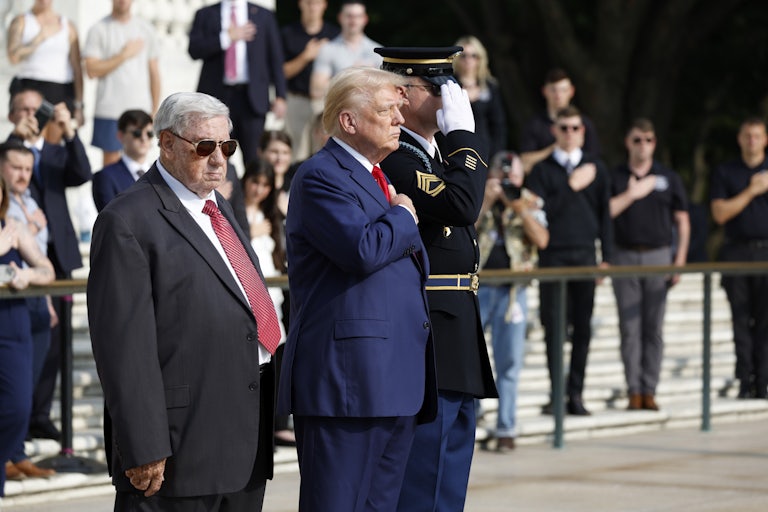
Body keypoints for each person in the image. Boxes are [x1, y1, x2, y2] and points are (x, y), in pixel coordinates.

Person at [87, 92, 280, 511]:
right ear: (168, 143)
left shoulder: (219, 205)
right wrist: (143, 444)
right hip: (178, 453)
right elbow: (122, 348)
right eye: (205, 146)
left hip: (243, 444)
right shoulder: (127, 220)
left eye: (226, 147)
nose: (218, 159)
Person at [276, 66, 437, 512]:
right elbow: (363, 250)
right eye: (388, 110)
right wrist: (403, 215)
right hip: (348, 387)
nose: (399, 120)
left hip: (393, 382)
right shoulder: (320, 175)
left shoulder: (377, 178)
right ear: (349, 121)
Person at [376, 46, 497, 511]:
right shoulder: (398, 157)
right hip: (427, 331)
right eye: (439, 88)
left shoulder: (433, 153)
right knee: (426, 477)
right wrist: (465, 136)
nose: (452, 96)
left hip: (455, 327)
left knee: (450, 479)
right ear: (403, 95)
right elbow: (463, 205)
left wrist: (458, 143)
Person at [6, 87, 91, 441]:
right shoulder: (8, 153)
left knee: (54, 341)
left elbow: (83, 171)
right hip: (17, 255)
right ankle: (17, 417)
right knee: (24, 336)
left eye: (35, 108)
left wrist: (69, 130)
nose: (30, 115)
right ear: (12, 115)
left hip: (56, 255)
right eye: (23, 109)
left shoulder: (55, 153)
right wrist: (14, 138)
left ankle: (39, 413)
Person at [526, 105, 612, 416]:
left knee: (583, 329)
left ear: (583, 131)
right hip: (553, 257)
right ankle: (556, 393)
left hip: (586, 256)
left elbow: (606, 216)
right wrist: (571, 185)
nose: (570, 134)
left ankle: (575, 394)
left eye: (575, 128)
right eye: (564, 128)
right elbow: (539, 213)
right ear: (554, 131)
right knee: (553, 328)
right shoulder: (542, 170)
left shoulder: (596, 168)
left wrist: (607, 259)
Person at [610, 118, 690, 410]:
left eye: (648, 140)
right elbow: (605, 213)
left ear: (655, 143)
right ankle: (634, 389)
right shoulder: (617, 177)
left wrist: (679, 259)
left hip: (658, 255)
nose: (643, 145)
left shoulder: (668, 178)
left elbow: (682, 220)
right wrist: (632, 194)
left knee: (653, 328)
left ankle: (650, 388)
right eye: (637, 140)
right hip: (625, 255)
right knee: (630, 328)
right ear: (627, 143)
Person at [475, 151, 548, 453]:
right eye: (503, 176)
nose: (508, 182)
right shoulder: (479, 195)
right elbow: (464, 228)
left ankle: (506, 427)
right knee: (473, 359)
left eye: (513, 176)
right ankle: (472, 416)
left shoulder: (531, 201)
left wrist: (516, 207)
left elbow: (542, 240)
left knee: (509, 363)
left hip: (513, 291)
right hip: (477, 286)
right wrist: (489, 200)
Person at [0, 141, 56, 481]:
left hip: (16, 318)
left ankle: (11, 455)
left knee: (20, 403)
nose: (23, 175)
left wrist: (26, 275)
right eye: (15, 168)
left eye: (27, 168)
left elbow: (46, 268)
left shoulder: (15, 225)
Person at [189, 0, 287, 168]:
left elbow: (275, 58)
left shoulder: (263, 15)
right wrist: (227, 37)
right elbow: (194, 50)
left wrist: (280, 96)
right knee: (215, 155)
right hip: (216, 98)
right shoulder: (206, 14)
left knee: (253, 158)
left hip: (251, 99)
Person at [710, 116, 768, 399]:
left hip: (766, 252)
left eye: (757, 136)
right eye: (747, 136)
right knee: (741, 319)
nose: (752, 141)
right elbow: (720, 214)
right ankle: (745, 380)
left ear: (765, 139)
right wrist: (752, 191)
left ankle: (764, 380)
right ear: (740, 139)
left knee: (766, 321)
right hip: (737, 251)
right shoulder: (727, 172)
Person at [83, 0, 161, 167]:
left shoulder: (146, 29)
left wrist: (155, 109)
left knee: (138, 165)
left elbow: (154, 72)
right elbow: (91, 70)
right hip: (109, 110)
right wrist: (124, 55)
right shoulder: (99, 29)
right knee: (111, 167)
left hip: (140, 110)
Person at [6, 0, 85, 140]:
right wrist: (40, 37)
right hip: (30, 87)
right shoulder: (21, 21)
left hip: (60, 89)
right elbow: (13, 57)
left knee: (55, 143)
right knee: (29, 138)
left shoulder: (68, 26)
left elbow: (77, 68)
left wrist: (79, 106)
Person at [281, 0, 339, 160]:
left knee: (325, 152)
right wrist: (306, 56)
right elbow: (280, 72)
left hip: (325, 102)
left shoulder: (334, 35)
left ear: (324, 5)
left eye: (316, 3)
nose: (312, 6)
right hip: (296, 101)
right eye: (308, 2)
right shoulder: (288, 33)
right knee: (295, 153)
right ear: (300, 4)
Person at [519, 68, 601, 173]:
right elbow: (524, 162)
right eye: (553, 90)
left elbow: (595, 164)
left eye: (575, 129)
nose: (558, 95)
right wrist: (557, 148)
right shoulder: (534, 124)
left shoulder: (584, 123)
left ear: (571, 91)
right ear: (553, 130)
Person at [309, 1, 382, 108]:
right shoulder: (327, 49)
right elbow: (316, 91)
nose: (353, 21)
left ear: (365, 19)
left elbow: (385, 90)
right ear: (340, 18)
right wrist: (352, 75)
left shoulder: (377, 51)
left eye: (357, 16)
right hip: (337, 113)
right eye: (349, 16)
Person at [452, 36, 507, 159]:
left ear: (480, 59)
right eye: (463, 55)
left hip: (484, 150)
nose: (468, 60)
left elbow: (498, 125)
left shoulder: (490, 86)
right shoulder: (449, 85)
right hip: (454, 149)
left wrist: (496, 156)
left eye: (473, 55)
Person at [92, 109, 153, 212]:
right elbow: (111, 220)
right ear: (120, 136)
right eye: (137, 133)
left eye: (149, 133)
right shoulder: (106, 177)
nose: (144, 138)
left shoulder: (163, 173)